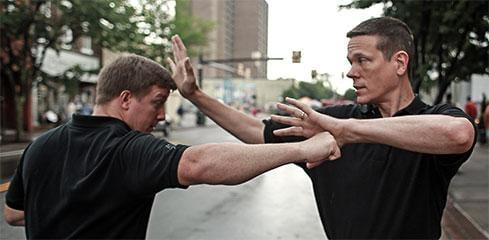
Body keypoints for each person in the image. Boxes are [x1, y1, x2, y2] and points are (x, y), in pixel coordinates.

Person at [169, 16, 476, 239]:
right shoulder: (332, 122)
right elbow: (256, 132)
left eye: (362, 60)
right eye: (349, 61)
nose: (351, 72)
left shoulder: (429, 118)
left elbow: (458, 133)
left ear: (399, 63)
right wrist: (196, 95)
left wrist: (349, 132)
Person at [4, 55, 341, 239]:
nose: (163, 115)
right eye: (157, 102)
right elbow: (198, 164)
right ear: (125, 99)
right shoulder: (127, 148)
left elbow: (14, 213)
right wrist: (301, 149)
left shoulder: (40, 146)